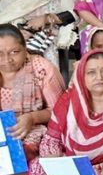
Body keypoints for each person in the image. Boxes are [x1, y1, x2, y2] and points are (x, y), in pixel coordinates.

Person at [0, 24, 65, 161]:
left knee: (24, 153)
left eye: (14, 52)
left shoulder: (41, 69)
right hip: (4, 133)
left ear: (25, 49)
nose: (7, 60)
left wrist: (32, 118)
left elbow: (61, 111)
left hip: (37, 132)